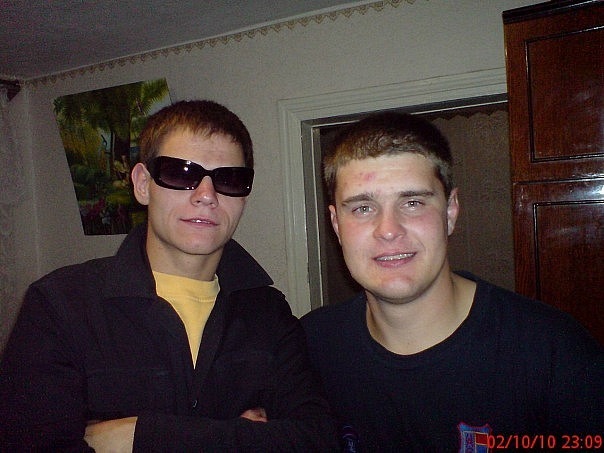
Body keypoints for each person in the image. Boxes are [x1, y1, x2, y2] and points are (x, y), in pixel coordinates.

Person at [0, 100, 338, 451]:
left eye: (228, 179)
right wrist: (241, 437)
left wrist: (139, 435)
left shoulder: (269, 312)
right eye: (182, 173)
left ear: (243, 197)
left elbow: (318, 440)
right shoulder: (60, 304)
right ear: (142, 184)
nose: (206, 195)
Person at [301, 112, 603, 452]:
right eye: (362, 208)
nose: (388, 230)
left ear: (450, 212)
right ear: (336, 225)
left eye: (412, 203)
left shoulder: (554, 354)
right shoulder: (308, 347)